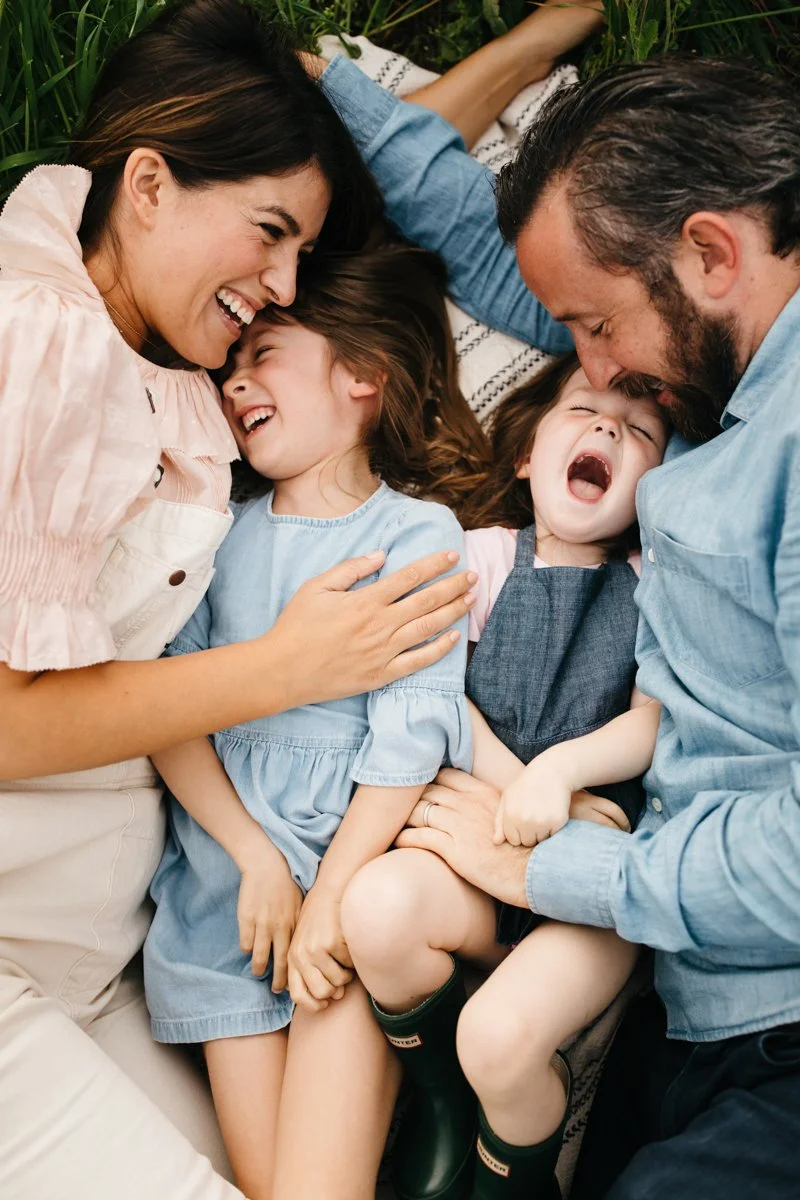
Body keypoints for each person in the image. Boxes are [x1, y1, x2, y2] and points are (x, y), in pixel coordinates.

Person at [0, 2, 489, 1196]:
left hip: (115, 948)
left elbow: (364, 243)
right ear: (148, 185)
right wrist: (290, 667)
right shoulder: (38, 338)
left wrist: (523, 49)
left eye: (300, 256)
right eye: (269, 234)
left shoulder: (181, 349)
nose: (279, 287)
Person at [330, 52, 800, 1200]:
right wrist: (304, 75)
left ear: (710, 253)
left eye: (593, 326)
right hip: (688, 1005)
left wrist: (565, 869)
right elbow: (485, 241)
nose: (588, 371)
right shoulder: (712, 372)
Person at [142, 244, 491, 1200]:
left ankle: (427, 1080)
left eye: (264, 353)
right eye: (231, 366)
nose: (234, 380)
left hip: (344, 885)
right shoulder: (214, 531)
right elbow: (167, 710)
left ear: (362, 376)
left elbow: (411, 735)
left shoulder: (412, 534)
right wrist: (253, 857)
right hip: (225, 905)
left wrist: (331, 896)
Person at [342, 353, 668, 1200]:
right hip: (476, 851)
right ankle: (444, 1099)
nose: (608, 426)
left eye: (640, 431)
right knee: (375, 909)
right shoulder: (478, 557)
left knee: (498, 1039)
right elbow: (436, 693)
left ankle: (513, 1170)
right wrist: (513, 788)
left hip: (589, 893)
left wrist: (559, 775)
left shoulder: (654, 586)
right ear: (526, 456)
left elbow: (648, 721)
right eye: (584, 410)